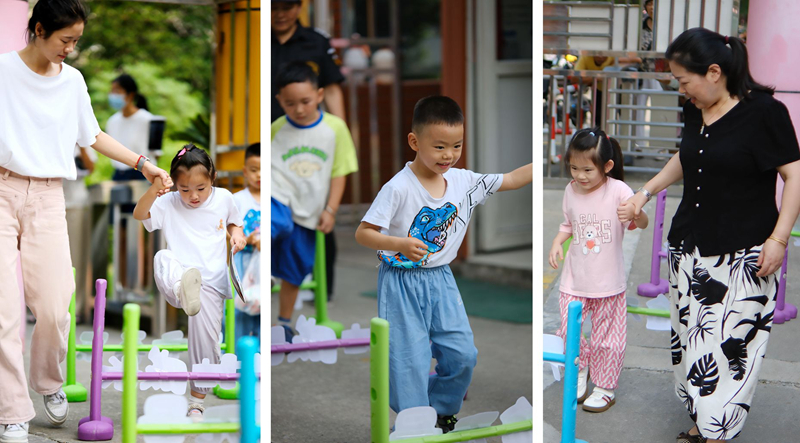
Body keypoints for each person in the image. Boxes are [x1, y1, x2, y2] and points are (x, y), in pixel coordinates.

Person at [0, 0, 172, 440]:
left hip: (47, 196)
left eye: (76, 41)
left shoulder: (72, 81)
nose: (71, 50)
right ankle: (12, 410)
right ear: (38, 30)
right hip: (1, 191)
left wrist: (142, 163)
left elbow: (91, 135)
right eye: (65, 40)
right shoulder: (3, 71)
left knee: (57, 306)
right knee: (3, 314)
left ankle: (48, 383)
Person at [620, 28, 800, 443]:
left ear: (714, 72)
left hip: (745, 253)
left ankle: (716, 432)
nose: (682, 90)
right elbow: (686, 158)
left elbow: (794, 175)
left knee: (732, 350)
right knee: (691, 343)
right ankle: (703, 424)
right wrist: (644, 193)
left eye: (684, 80)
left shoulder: (765, 113)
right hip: (689, 247)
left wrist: (779, 238)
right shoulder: (694, 110)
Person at [354, 96, 533, 433]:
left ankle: (441, 411)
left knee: (463, 353)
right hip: (401, 282)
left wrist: (546, 162)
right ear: (414, 141)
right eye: (439, 147)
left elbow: (510, 179)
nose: (448, 155)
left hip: (442, 280)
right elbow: (364, 234)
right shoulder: (398, 188)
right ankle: (414, 426)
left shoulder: (464, 182)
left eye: (456, 145)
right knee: (410, 361)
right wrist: (399, 244)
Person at [133, 144, 245, 422]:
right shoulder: (168, 202)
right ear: (175, 186)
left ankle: (197, 401)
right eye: (184, 189)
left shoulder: (224, 198)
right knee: (162, 257)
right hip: (178, 276)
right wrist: (155, 188)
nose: (192, 196)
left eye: (200, 188)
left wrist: (238, 236)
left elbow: (234, 223)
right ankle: (184, 288)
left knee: (205, 342)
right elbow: (139, 215)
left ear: (212, 179)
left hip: (210, 282)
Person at [548, 128, 649, 413]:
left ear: (607, 166)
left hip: (608, 282)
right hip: (574, 280)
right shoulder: (571, 190)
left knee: (608, 339)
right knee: (571, 332)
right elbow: (568, 224)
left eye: (587, 169)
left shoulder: (618, 190)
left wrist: (636, 213)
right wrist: (557, 242)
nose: (579, 176)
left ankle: (605, 387)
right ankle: (580, 370)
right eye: (574, 167)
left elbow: (641, 223)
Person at [271, 61, 357, 341]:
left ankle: (283, 322)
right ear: (279, 101)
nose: (298, 109)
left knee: (295, 270)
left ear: (320, 95)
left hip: (308, 213)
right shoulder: (276, 128)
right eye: (290, 103)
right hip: (278, 200)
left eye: (305, 101)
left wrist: (330, 209)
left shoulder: (335, 129)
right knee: (272, 227)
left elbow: (339, 172)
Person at [272, 0, 348, 302]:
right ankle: (274, 280)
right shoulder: (259, 38)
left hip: (314, 141)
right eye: (274, 7)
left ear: (300, 7)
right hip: (278, 138)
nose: (279, 14)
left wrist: (338, 132)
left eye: (286, 7)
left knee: (317, 214)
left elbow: (331, 88)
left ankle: (321, 292)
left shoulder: (316, 42)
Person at [232, 142, 261, 341]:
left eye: (263, 170)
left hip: (262, 263)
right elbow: (227, 228)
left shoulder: (273, 200)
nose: (259, 175)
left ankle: (259, 350)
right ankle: (238, 353)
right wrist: (245, 239)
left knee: (261, 303)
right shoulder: (237, 200)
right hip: (242, 261)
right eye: (253, 170)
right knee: (242, 304)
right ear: (244, 171)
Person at [106, 73, 154, 181]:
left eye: (117, 91)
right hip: (119, 174)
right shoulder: (112, 121)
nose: (113, 95)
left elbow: (156, 152)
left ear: (130, 95)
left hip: (142, 173)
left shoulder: (147, 119)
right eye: (112, 91)